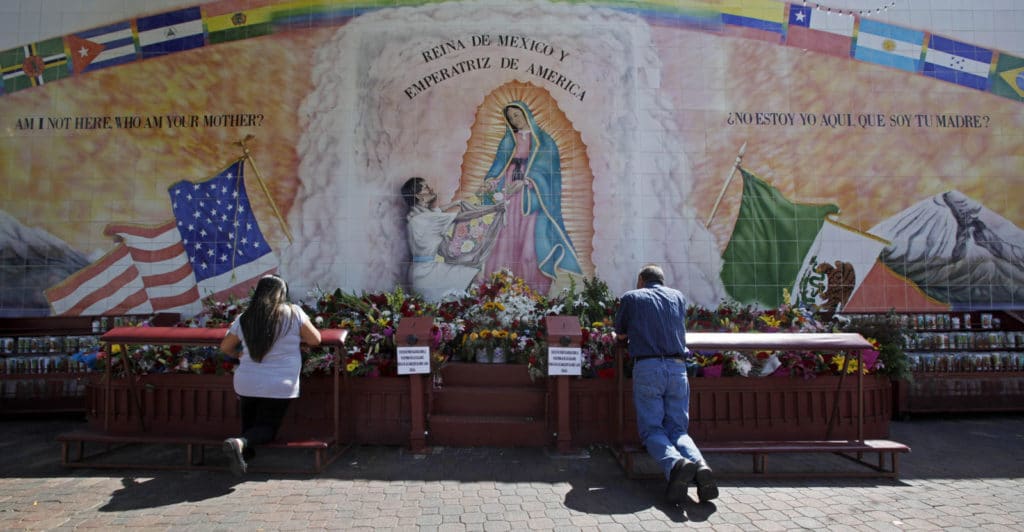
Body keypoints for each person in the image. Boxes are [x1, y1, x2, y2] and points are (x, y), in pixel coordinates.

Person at [614, 264, 718, 505]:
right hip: (677, 368)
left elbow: (621, 334)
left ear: (641, 280)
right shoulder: (677, 297)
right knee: (678, 429)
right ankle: (700, 465)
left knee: (652, 429)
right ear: (662, 280)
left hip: (648, 367)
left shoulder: (632, 297)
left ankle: (675, 464)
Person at [219, 274, 322, 475]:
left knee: (249, 425)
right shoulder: (293, 312)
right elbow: (315, 339)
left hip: (246, 380)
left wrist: (238, 354)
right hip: (280, 383)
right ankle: (238, 444)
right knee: (267, 429)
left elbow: (225, 347)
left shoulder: (246, 317)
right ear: (282, 293)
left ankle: (242, 454)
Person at [479, 101, 582, 295]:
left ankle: (532, 293)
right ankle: (500, 289)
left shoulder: (544, 141)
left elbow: (550, 172)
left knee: (531, 247)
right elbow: (498, 165)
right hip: (509, 194)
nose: (514, 120)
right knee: (504, 241)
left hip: (532, 200)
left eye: (517, 115)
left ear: (526, 113)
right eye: (510, 118)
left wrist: (528, 181)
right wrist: (491, 181)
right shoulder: (508, 140)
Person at [401, 177, 505, 301]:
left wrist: (456, 203)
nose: (431, 189)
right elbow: (462, 216)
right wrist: (494, 208)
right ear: (418, 196)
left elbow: (438, 212)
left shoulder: (415, 216)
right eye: (426, 187)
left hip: (418, 272)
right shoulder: (428, 218)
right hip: (428, 275)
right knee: (473, 274)